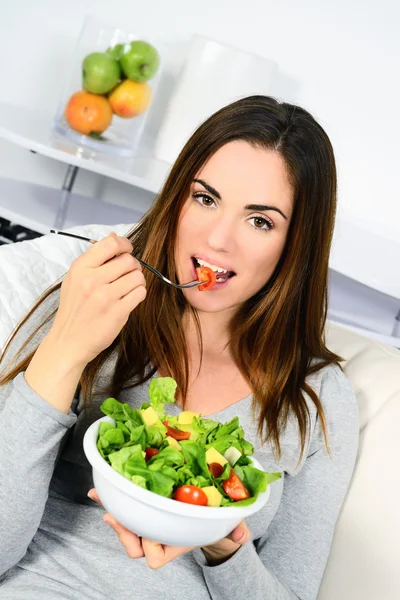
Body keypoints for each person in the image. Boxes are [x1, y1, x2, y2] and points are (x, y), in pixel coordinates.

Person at [0, 95, 359, 600]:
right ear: (176, 198)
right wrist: (63, 353)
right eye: (205, 198)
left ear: (296, 244)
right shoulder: (89, 300)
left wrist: (221, 543)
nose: (217, 240)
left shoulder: (317, 399)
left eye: (260, 221)